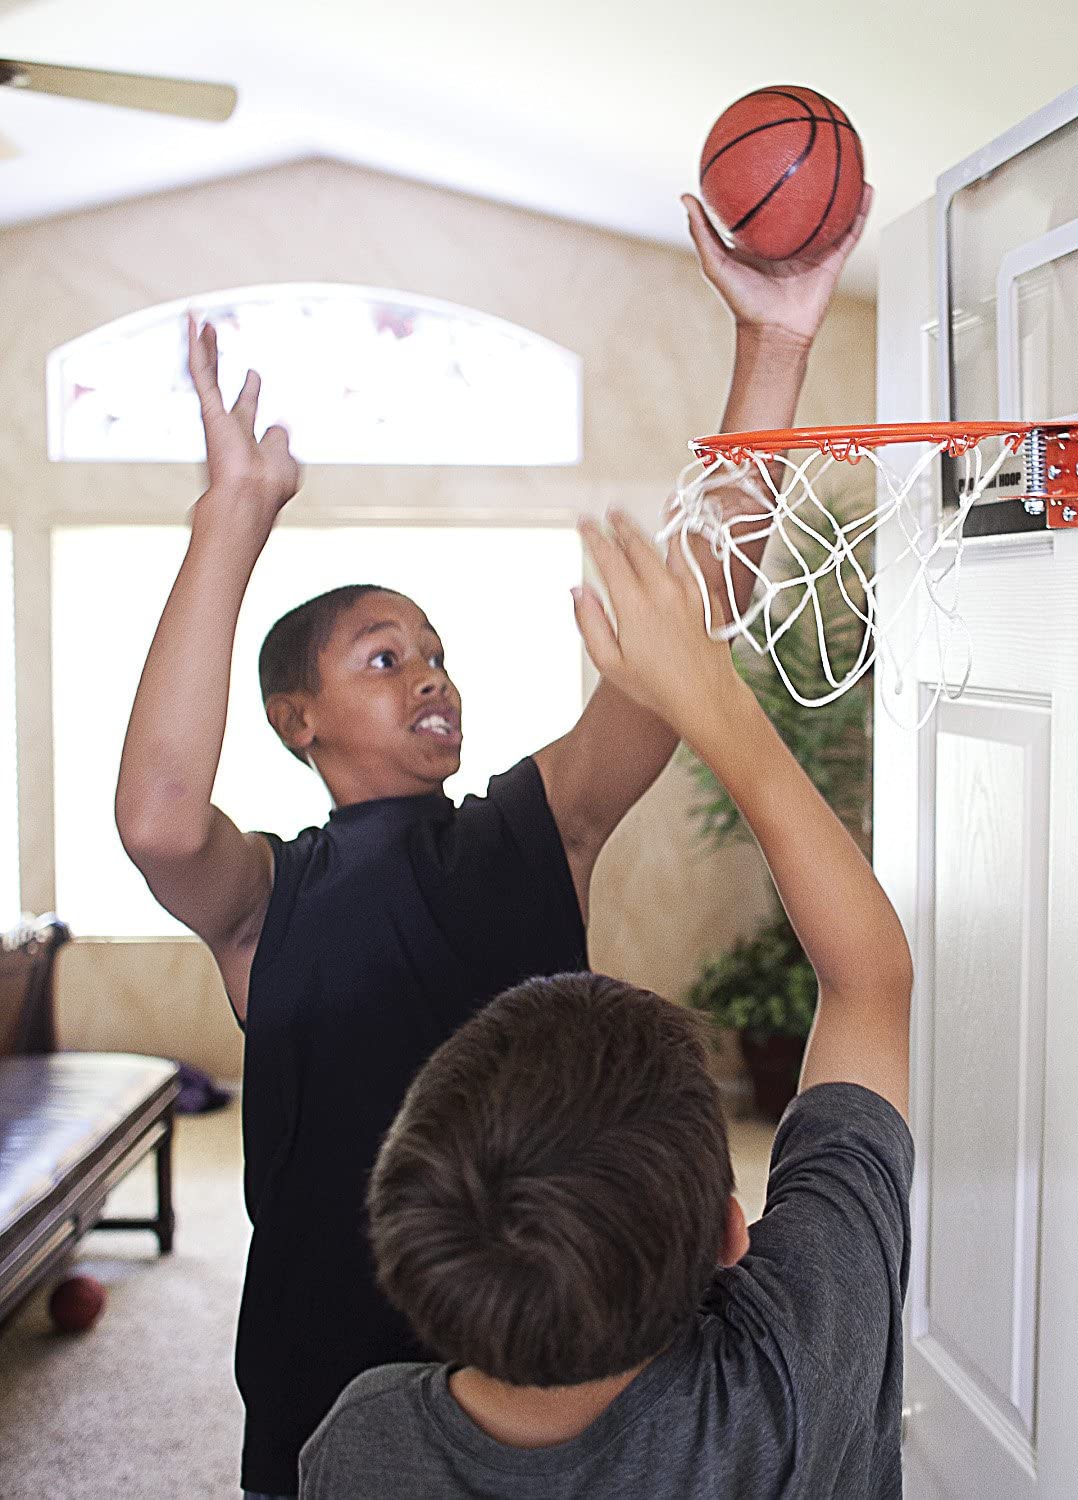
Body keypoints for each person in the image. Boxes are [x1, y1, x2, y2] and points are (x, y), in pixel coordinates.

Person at [113, 187, 872, 1500]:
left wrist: (775, 347)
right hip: (329, 1379)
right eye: (384, 655)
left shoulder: (532, 828)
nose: (431, 675)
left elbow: (689, 629)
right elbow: (157, 819)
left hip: (570, 1368)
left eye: (440, 653)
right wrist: (232, 512)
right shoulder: (265, 900)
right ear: (295, 717)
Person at [298, 511, 914, 1498]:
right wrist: (716, 702)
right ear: (728, 1235)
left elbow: (867, 984)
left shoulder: (363, 1444)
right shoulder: (787, 1377)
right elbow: (870, 981)